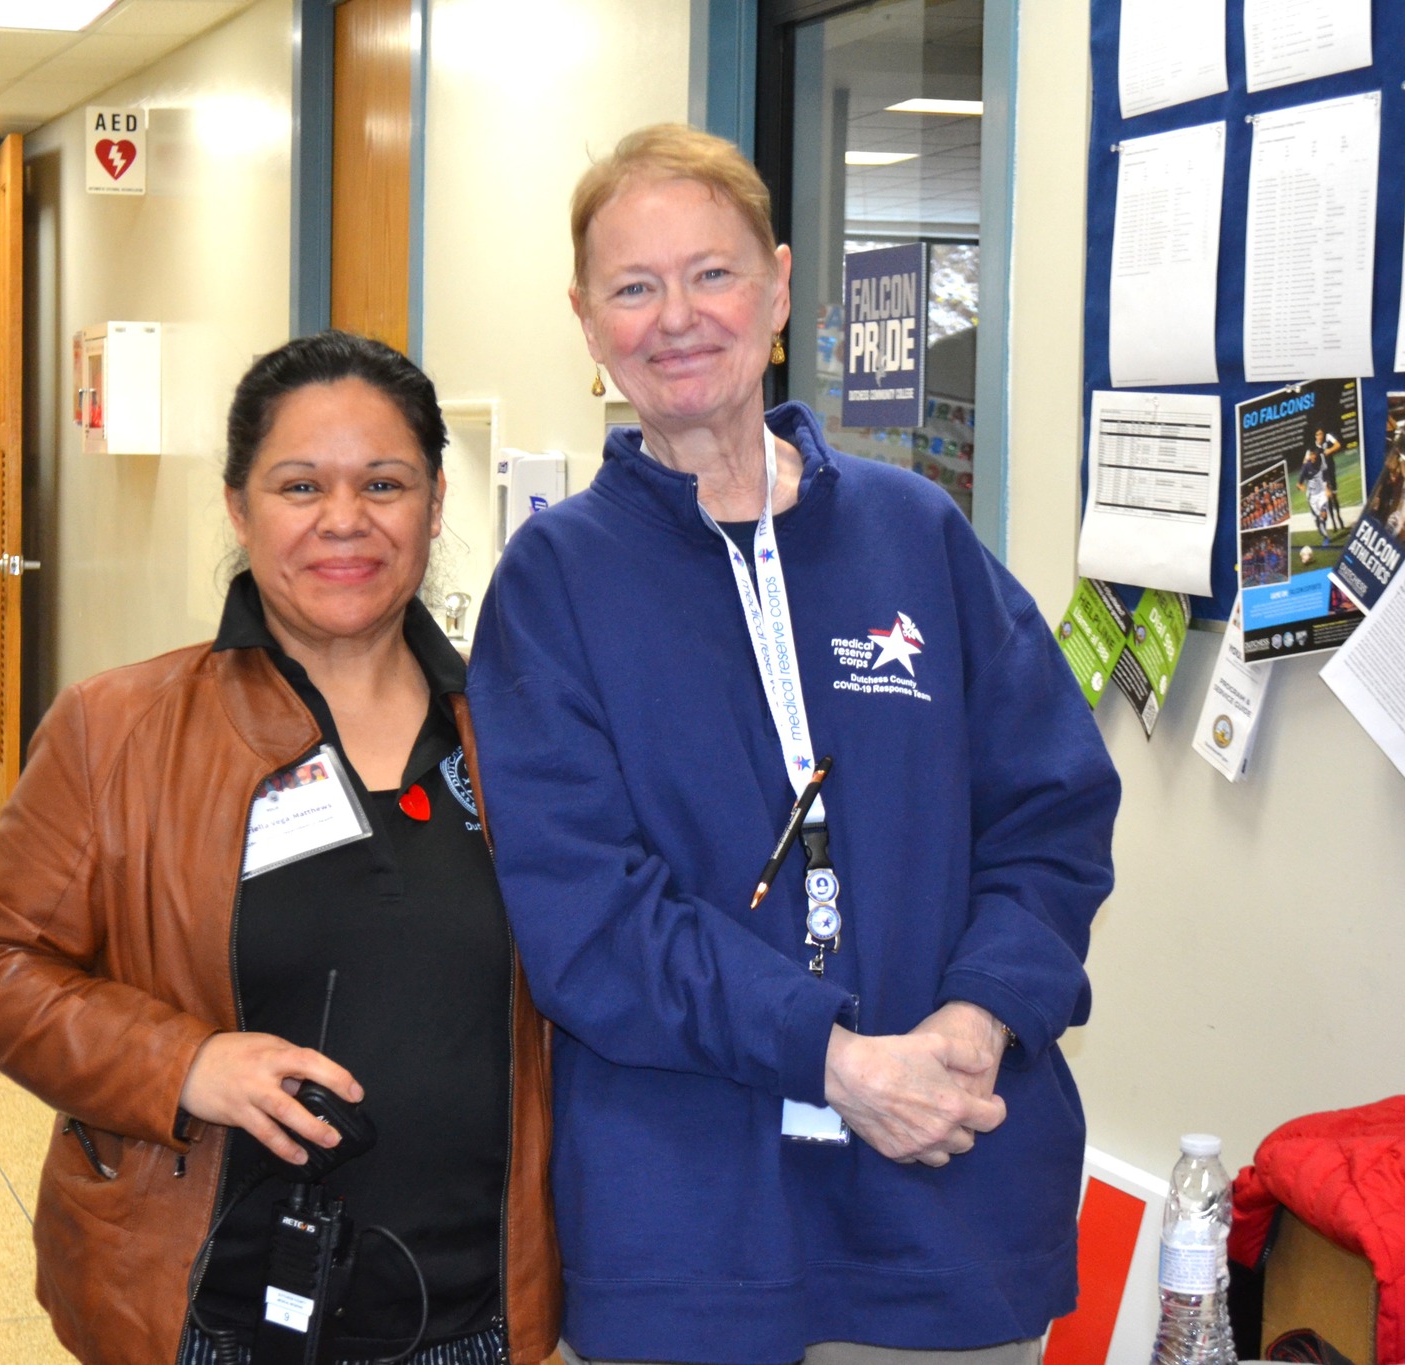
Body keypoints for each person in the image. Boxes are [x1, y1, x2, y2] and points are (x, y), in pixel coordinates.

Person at [465, 124, 1121, 1365]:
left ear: (775, 290)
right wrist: (829, 1060)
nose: (675, 318)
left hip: (947, 1193)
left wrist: (978, 1018)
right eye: (632, 287)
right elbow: (587, 916)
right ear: (585, 321)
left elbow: (1050, 810)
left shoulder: (914, 533)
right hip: (690, 1231)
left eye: (710, 274)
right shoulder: (552, 586)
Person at [0, 331, 558, 1365]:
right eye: (299, 485)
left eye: (384, 483)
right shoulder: (118, 729)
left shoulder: (521, 736)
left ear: (435, 504)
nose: (344, 519)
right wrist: (181, 1063)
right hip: (212, 1311)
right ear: (238, 507)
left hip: (479, 1314)